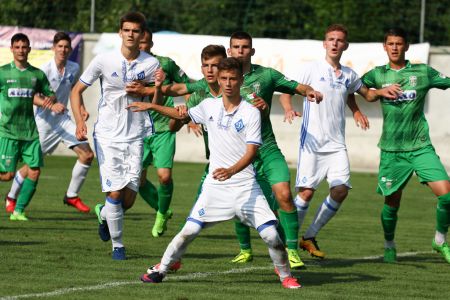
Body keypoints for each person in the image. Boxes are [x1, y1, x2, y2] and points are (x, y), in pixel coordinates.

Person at [130, 57, 302, 289]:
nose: (228, 83)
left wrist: (231, 170)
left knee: (271, 235)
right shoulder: (208, 106)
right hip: (216, 187)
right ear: (218, 81)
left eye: (233, 78)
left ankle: (286, 277)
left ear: (241, 80)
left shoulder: (250, 113)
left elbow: (252, 152)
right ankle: (161, 269)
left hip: (244, 186)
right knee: (188, 231)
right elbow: (181, 116)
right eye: (224, 79)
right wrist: (151, 105)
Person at [279, 24, 398, 259]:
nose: (335, 43)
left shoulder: (349, 74)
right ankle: (287, 241)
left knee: (341, 189)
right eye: (331, 39)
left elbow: (364, 94)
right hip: (312, 142)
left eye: (339, 40)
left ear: (345, 45)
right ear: (324, 43)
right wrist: (288, 108)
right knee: (306, 194)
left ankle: (309, 237)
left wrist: (378, 94)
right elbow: (286, 91)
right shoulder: (311, 69)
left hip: (336, 144)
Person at [70, 12, 161, 260]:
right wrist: (80, 121)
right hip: (108, 135)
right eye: (127, 30)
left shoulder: (151, 64)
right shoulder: (103, 60)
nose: (131, 35)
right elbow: (77, 90)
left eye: (136, 31)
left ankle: (103, 215)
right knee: (115, 194)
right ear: (120, 32)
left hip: (136, 135)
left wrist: (150, 89)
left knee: (128, 199)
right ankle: (118, 246)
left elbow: (158, 99)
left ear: (142, 35)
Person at [361, 27, 450, 263]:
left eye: (399, 43)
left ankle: (440, 240)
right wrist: (378, 92)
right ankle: (389, 243)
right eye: (390, 43)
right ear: (384, 46)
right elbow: (358, 89)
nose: (394, 47)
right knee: (392, 201)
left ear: (406, 46)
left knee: (447, 196)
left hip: (420, 146)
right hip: (392, 150)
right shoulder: (377, 74)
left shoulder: (422, 72)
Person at [4, 32, 94, 214]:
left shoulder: (74, 68)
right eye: (59, 46)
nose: (63, 50)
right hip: (44, 123)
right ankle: (12, 197)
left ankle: (71, 195)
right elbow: (33, 95)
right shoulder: (44, 70)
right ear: (53, 48)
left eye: (66, 47)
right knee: (31, 166)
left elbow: (75, 91)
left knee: (87, 155)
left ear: (70, 49)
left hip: (63, 121)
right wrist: (51, 105)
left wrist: (82, 108)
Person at [1, 33, 64, 220]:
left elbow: (50, 93)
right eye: (17, 47)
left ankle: (18, 210)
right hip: (8, 132)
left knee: (34, 170)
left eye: (24, 47)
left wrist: (51, 102)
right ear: (12, 49)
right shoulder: (3, 72)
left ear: (29, 49)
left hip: (30, 132)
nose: (21, 50)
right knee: (7, 176)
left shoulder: (36, 74)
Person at [137, 28, 190, 237]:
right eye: (138, 42)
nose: (141, 46)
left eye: (145, 42)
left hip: (163, 127)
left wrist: (190, 114)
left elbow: (188, 86)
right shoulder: (126, 66)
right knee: (137, 180)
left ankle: (160, 215)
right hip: (137, 129)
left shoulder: (165, 64)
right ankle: (163, 210)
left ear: (151, 44)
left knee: (164, 176)